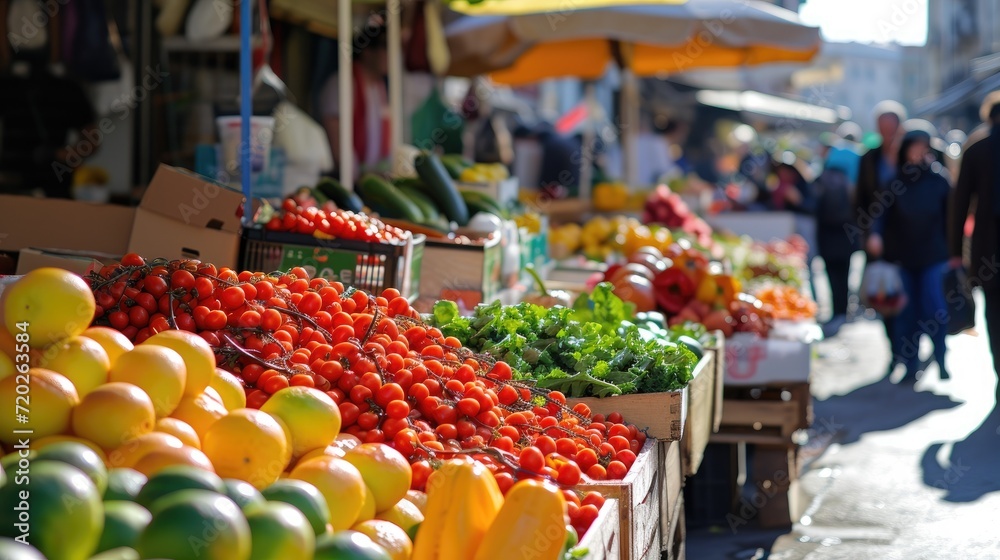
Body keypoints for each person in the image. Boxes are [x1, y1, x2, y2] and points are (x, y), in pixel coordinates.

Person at [868, 129, 952, 383]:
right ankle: (909, 363)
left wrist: (956, 251)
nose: (918, 152)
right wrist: (875, 235)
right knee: (906, 312)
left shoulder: (940, 180)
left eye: (923, 147)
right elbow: (879, 215)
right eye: (913, 147)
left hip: (933, 255)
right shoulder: (894, 181)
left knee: (934, 307)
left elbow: (952, 217)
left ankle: (940, 357)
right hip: (902, 256)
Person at [949, 94, 1000, 389]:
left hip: (988, 249)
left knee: (994, 312)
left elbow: (960, 204)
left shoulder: (977, 149)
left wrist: (955, 252)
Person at [856, 100, 907, 374]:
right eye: (882, 128)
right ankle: (896, 350)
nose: (887, 133)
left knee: (911, 296)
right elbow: (861, 200)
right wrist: (867, 234)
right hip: (880, 238)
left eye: (891, 127)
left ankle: (910, 348)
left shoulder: (913, 152)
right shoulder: (869, 158)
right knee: (884, 296)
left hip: (912, 239)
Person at [0, 56, 97, 199]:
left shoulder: (68, 89)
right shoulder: (6, 85)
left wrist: (61, 154)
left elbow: (92, 141)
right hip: (12, 183)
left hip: (53, 185)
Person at [319, 25, 390, 176]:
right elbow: (336, 137)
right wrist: (357, 178)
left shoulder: (380, 88)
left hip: (374, 178)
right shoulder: (341, 84)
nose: (391, 55)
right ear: (367, 51)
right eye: (385, 47)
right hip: (346, 179)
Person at [814, 146, 860, 337]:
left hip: (827, 237)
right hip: (847, 237)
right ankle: (844, 310)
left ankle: (838, 311)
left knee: (833, 277)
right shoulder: (852, 182)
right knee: (844, 275)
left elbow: (813, 206)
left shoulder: (821, 179)